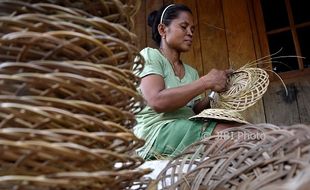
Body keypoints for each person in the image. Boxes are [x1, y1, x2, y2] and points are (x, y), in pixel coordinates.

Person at [134, 4, 235, 160]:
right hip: (155, 134)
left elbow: (193, 110)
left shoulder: (191, 72)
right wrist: (206, 81)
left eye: (192, 30)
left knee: (239, 130)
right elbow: (156, 101)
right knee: (238, 136)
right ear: (162, 30)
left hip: (184, 129)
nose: (190, 33)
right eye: (184, 26)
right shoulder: (150, 55)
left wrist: (216, 94)